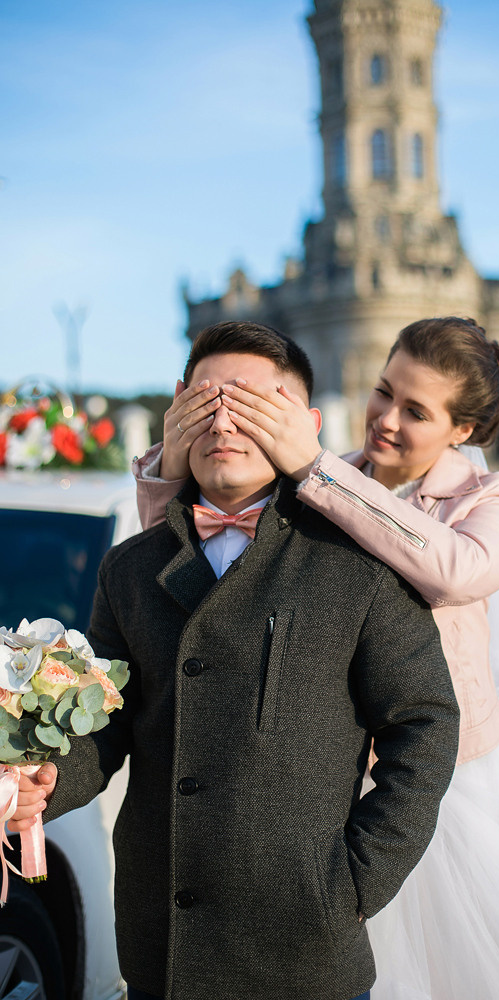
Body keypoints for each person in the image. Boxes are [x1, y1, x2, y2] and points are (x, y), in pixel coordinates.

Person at [130, 315, 499, 998]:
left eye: (415, 410)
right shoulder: (316, 480)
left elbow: (452, 569)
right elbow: (192, 559)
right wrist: (168, 466)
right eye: (383, 392)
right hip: (321, 783)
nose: (383, 418)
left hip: (444, 790)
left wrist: (315, 468)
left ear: (461, 431)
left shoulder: (488, 498)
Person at [9, 321, 462, 1000]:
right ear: (176, 412)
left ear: (303, 425)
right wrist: (49, 778)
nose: (226, 420)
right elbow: (104, 724)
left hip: (305, 945)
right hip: (162, 937)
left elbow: (424, 725)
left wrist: (356, 880)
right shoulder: (129, 570)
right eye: (207, 399)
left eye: (253, 403)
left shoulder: (358, 566)